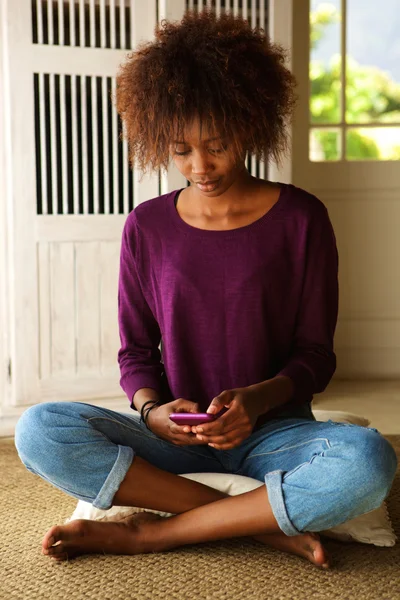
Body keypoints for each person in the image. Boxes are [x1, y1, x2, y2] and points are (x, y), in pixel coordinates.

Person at [14, 9, 397, 567]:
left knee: (369, 462)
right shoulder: (147, 225)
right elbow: (136, 353)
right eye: (180, 150)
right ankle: (262, 526)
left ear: (248, 123)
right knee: (40, 429)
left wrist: (256, 400)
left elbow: (315, 356)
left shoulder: (301, 219)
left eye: (216, 144)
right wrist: (152, 413)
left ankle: (154, 534)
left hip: (275, 438)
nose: (200, 165)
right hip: (175, 440)